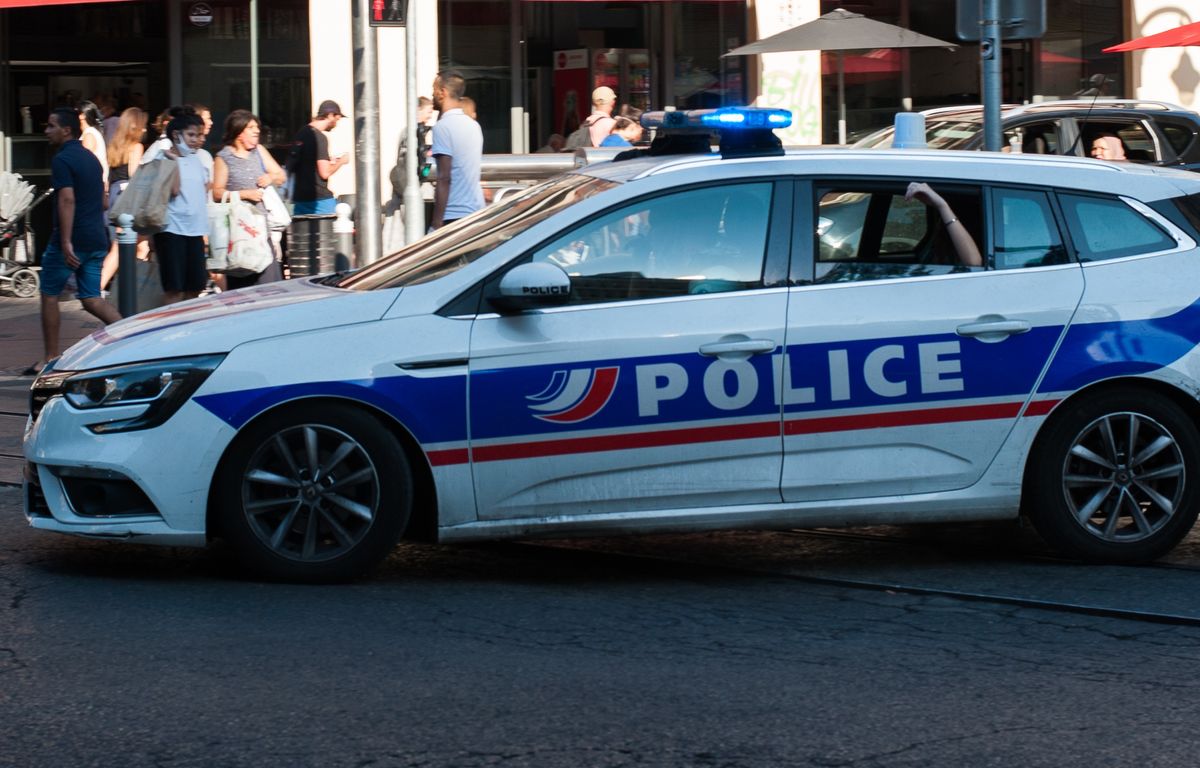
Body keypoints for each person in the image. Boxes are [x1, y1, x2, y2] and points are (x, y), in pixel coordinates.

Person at [27, 108, 121, 375]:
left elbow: (67, 200)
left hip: (71, 239)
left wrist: (66, 241)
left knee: (48, 294)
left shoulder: (63, 159)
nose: (47, 131)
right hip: (95, 237)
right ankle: (130, 337)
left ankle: (51, 357)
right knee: (92, 298)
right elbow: (103, 199)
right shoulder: (91, 159)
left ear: (66, 130)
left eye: (51, 126)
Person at [213, 109, 286, 288]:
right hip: (239, 235)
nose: (257, 131)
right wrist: (245, 194)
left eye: (257, 127)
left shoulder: (259, 151)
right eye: (251, 127)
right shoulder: (224, 158)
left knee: (270, 286)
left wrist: (270, 178)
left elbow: (280, 175)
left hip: (261, 230)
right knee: (243, 289)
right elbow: (217, 193)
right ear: (239, 132)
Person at [154, 109, 210, 305]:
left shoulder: (198, 160)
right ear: (176, 135)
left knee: (195, 287)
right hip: (172, 229)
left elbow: (203, 193)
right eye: (191, 135)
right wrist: (175, 160)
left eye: (199, 135)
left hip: (194, 230)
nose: (196, 140)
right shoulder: (163, 159)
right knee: (174, 289)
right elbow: (174, 190)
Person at [100, 106, 149, 290]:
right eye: (142, 126)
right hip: (128, 198)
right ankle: (133, 288)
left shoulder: (115, 146)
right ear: (135, 126)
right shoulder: (136, 147)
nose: (145, 130)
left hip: (114, 194)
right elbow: (134, 177)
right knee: (128, 248)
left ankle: (104, 287)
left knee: (119, 247)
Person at [430, 70, 484, 229]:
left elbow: (444, 177)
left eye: (434, 90)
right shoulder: (474, 126)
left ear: (443, 92)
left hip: (452, 214)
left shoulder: (442, 128)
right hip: (475, 210)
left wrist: (436, 221)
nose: (432, 95)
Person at [289, 99, 349, 215]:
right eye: (337, 119)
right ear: (330, 115)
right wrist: (341, 161)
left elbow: (303, 162)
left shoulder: (301, 133)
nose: (336, 124)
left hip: (299, 201)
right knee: (330, 232)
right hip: (320, 201)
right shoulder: (320, 138)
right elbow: (324, 173)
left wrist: (328, 160)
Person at [904, 182, 982, 267]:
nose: (939, 221)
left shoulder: (956, 249)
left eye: (944, 215)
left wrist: (942, 206)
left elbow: (974, 263)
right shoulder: (935, 241)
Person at [78, 99, 108, 186]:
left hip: (92, 184)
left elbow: (85, 163)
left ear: (82, 116)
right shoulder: (92, 132)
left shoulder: (89, 135)